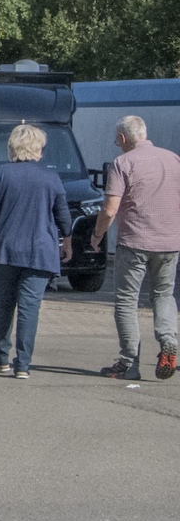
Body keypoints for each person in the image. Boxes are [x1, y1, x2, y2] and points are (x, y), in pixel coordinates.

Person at [0, 123, 73, 380]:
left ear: (12, 147)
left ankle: (1, 357)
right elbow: (63, 216)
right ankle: (23, 365)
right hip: (41, 251)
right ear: (38, 149)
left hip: (6, 249)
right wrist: (67, 241)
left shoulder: (0, 173)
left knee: (3, 304)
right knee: (29, 308)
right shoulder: (52, 177)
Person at [89, 115, 180, 380]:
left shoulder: (123, 163)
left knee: (127, 302)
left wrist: (97, 235)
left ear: (124, 138)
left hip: (134, 243)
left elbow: (109, 209)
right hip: (170, 243)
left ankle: (129, 363)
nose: (116, 143)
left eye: (117, 139)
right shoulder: (174, 160)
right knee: (163, 295)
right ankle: (168, 338)